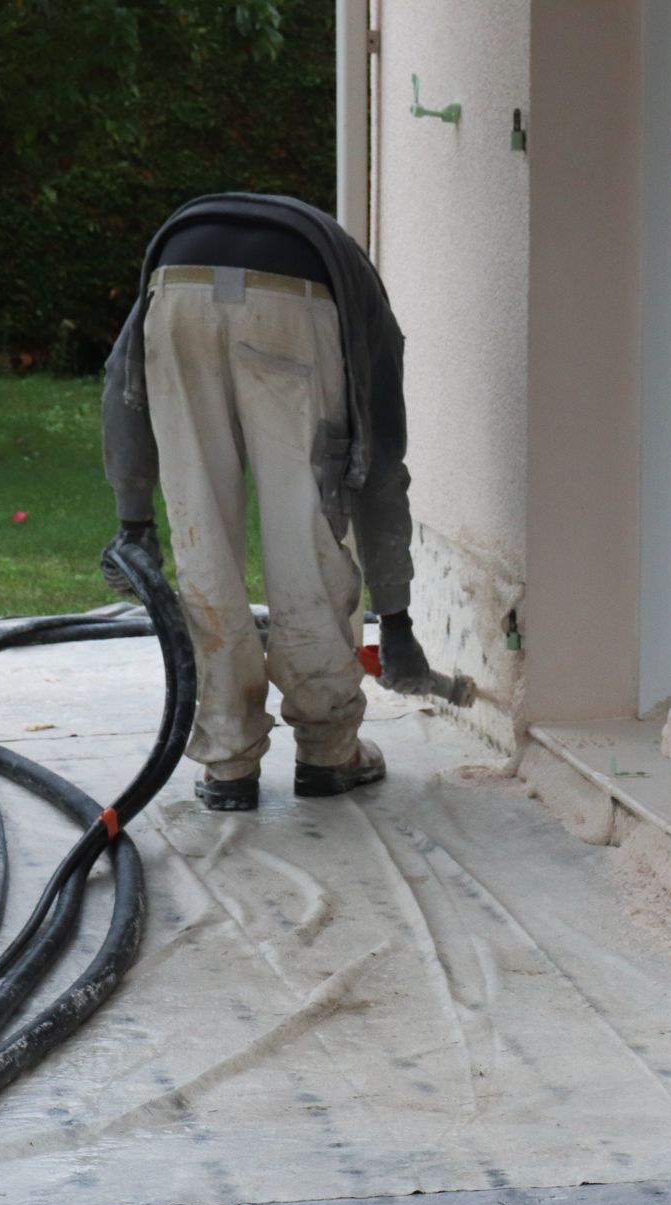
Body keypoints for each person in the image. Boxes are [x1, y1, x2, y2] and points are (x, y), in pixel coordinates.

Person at [97, 193, 429, 812]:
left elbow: (124, 387)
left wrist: (134, 520)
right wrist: (398, 621)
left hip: (176, 287)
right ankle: (329, 752)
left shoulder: (335, 278)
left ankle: (227, 763)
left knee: (203, 538)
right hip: (295, 305)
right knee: (306, 530)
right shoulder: (367, 311)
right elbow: (381, 474)